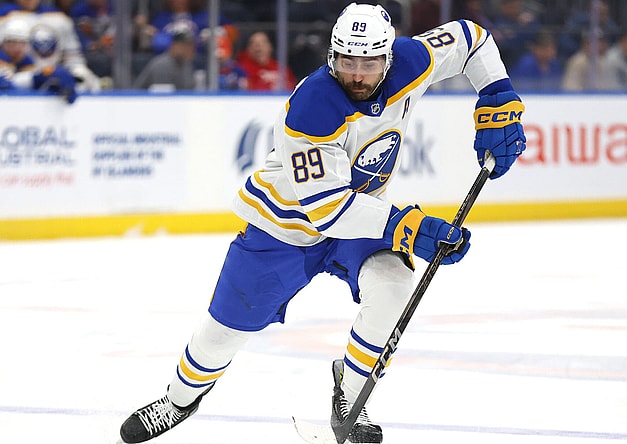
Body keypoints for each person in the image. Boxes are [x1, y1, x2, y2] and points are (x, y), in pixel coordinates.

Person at [119, 3, 526, 443]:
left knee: (392, 289)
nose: (356, 74)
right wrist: (413, 227)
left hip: (364, 218)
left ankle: (350, 396)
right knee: (222, 333)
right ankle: (178, 401)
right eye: (346, 61)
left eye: (368, 63)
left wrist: (497, 95)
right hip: (286, 228)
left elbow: (471, 38)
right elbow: (326, 208)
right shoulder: (313, 105)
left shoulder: (412, 60)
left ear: (388, 57)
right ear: (332, 56)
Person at [0, 0, 101, 92]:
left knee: (90, 83)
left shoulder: (59, 17)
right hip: (19, 82)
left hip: (55, 83)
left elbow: (74, 61)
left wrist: (76, 77)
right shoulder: (1, 17)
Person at [0, 17, 78, 103]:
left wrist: (46, 79)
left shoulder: (27, 60)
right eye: (12, 43)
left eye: (22, 43)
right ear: (3, 43)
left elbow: (21, 83)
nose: (17, 48)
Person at [133, 22, 201, 90]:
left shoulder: (186, 64)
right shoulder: (162, 65)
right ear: (174, 46)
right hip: (144, 100)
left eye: (192, 46)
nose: (191, 50)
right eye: (186, 46)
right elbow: (163, 98)